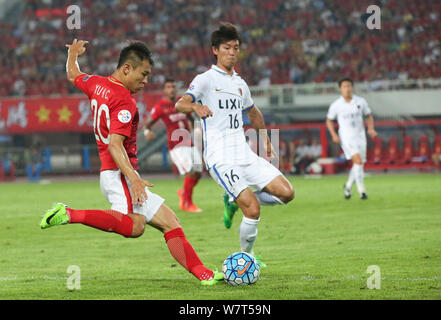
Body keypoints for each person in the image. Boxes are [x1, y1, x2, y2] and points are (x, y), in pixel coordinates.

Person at [40, 39, 223, 286]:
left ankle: (204, 274)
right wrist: (134, 178)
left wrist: (72, 54)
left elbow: (74, 74)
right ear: (127, 68)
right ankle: (69, 213)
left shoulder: (97, 84)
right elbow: (116, 145)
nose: (146, 81)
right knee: (136, 227)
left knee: (170, 222)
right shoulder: (124, 101)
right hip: (120, 174)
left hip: (113, 173)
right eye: (143, 74)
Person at [175, 23, 295, 267]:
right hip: (221, 156)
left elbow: (253, 112)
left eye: (236, 48)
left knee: (286, 193)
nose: (232, 52)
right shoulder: (206, 80)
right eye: (227, 48)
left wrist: (266, 140)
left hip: (244, 153)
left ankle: (232, 201)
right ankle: (247, 257)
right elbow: (180, 103)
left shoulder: (240, 83)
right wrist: (196, 106)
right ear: (215, 50)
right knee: (252, 209)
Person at [144, 79, 203, 213]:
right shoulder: (161, 107)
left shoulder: (182, 103)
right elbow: (148, 124)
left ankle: (183, 194)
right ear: (165, 90)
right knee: (191, 172)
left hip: (190, 143)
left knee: (199, 172)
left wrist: (197, 132)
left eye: (173, 86)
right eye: (168, 87)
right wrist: (148, 132)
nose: (171, 89)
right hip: (177, 146)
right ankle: (188, 204)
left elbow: (192, 120)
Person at [326, 78, 377, 200]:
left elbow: (368, 116)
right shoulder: (336, 105)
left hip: (360, 136)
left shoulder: (360, 101)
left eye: (349, 86)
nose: (347, 88)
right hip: (346, 138)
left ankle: (348, 186)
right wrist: (334, 134)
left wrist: (370, 129)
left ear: (352, 87)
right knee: (358, 161)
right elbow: (329, 120)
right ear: (340, 89)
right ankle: (362, 191)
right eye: (344, 86)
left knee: (358, 164)